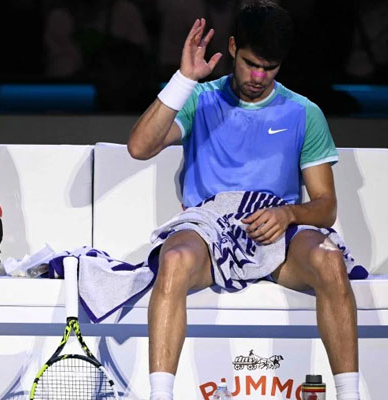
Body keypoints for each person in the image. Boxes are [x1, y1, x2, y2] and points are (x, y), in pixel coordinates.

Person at [127, 1, 360, 400]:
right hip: (210, 230)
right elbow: (139, 147)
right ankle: (159, 395)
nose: (258, 76)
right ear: (233, 47)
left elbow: (325, 206)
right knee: (174, 257)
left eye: (269, 68)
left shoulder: (305, 113)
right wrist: (184, 78)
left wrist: (287, 213)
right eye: (251, 63)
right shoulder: (200, 99)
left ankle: (350, 395)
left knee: (330, 260)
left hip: (277, 234)